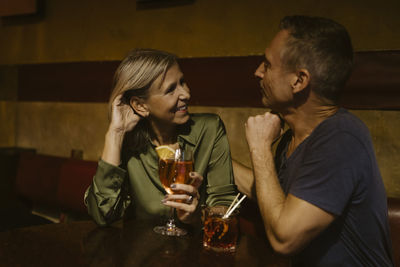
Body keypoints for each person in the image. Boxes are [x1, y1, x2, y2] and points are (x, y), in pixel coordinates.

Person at [234, 15, 394, 266]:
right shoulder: (291, 140)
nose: (258, 72)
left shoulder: (341, 138)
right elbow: (274, 198)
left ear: (299, 80)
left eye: (267, 64)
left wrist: (259, 147)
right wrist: (211, 156)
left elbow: (284, 238)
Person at [85, 49, 237, 226]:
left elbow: (226, 207)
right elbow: (103, 215)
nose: (186, 94)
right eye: (171, 89)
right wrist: (115, 133)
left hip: (193, 250)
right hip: (142, 250)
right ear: (140, 105)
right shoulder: (128, 143)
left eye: (183, 82)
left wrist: (198, 216)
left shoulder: (209, 129)